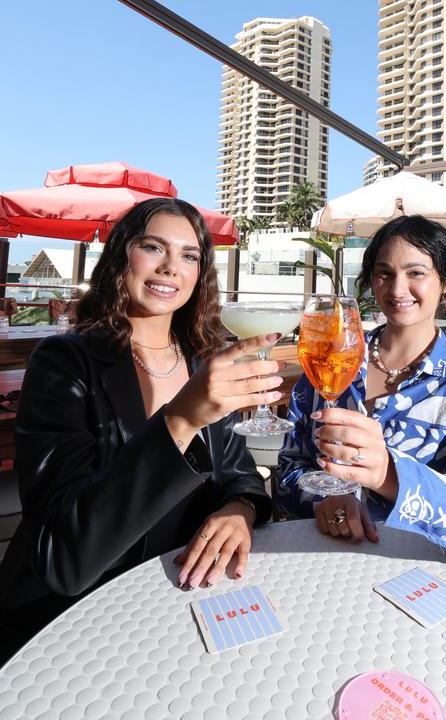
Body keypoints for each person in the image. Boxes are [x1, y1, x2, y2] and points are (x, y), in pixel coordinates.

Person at [0, 198, 287, 664]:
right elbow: (65, 559)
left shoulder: (202, 362)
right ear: (121, 257)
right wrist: (181, 418)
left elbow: (239, 471)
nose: (171, 267)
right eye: (153, 247)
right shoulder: (65, 362)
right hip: (69, 620)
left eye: (189, 256)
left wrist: (240, 508)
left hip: (175, 598)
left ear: (200, 275)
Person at [278, 215, 446, 568]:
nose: (397, 289)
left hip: (419, 571)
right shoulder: (331, 359)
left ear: (444, 281)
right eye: (384, 273)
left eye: (416, 273)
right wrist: (323, 501)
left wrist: (392, 477)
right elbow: (291, 468)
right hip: (323, 563)